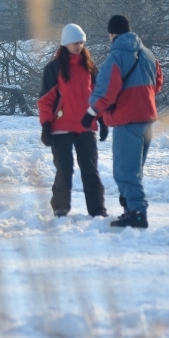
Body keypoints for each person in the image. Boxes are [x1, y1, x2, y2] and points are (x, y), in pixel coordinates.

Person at [82, 15, 163, 228]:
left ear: (112, 34)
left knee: (125, 170)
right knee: (134, 169)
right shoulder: (148, 54)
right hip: (147, 119)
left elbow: (106, 90)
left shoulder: (116, 56)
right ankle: (131, 208)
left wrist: (91, 112)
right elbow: (158, 82)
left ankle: (136, 212)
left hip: (127, 120)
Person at [38, 24, 107, 218]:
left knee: (90, 170)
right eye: (76, 43)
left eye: (82, 42)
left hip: (86, 127)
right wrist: (45, 125)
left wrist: (102, 121)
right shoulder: (54, 68)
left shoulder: (89, 66)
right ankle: (60, 208)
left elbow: (98, 96)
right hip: (60, 129)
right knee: (64, 170)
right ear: (66, 43)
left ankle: (97, 209)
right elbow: (46, 100)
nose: (79, 46)